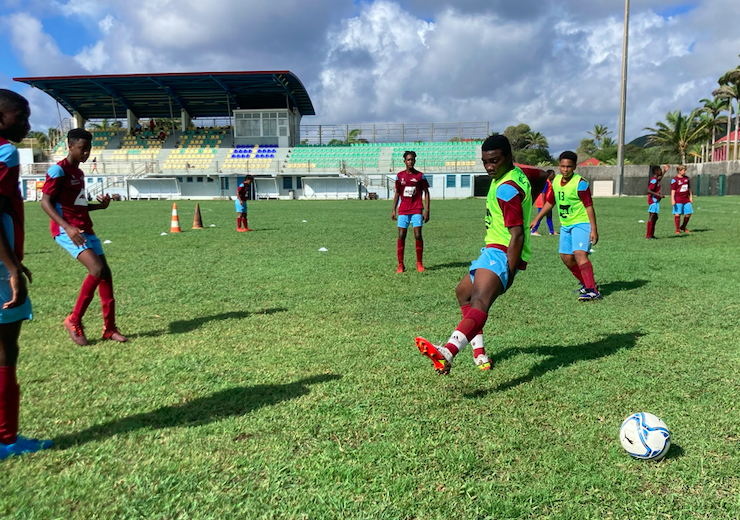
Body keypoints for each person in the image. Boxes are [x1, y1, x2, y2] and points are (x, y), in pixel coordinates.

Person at [415, 135, 535, 374]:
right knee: (463, 293)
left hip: (501, 252)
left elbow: (517, 235)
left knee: (479, 302)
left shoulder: (506, 190)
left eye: (494, 161)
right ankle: (479, 353)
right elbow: (541, 175)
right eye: (485, 162)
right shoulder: (518, 173)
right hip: (492, 249)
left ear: (508, 157)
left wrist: (510, 272)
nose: (489, 167)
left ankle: (448, 352)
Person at [0, 89, 53, 458]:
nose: (28, 125)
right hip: (0, 267)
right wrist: (11, 268)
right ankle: (6, 440)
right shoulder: (5, 152)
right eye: (21, 118)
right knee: (5, 347)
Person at [40, 128, 127, 346]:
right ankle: (74, 320)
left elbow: (77, 205)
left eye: (89, 149)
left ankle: (110, 328)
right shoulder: (58, 170)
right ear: (70, 146)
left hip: (84, 227)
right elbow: (45, 203)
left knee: (105, 274)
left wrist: (99, 207)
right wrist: (67, 227)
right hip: (67, 229)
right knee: (96, 269)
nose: (86, 153)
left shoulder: (78, 173)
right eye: (82, 148)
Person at [530, 151, 601, 301]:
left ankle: (592, 290)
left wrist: (593, 229)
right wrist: (537, 218)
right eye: (562, 166)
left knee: (580, 254)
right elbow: (551, 202)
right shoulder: (556, 181)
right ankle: (586, 283)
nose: (565, 169)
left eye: (569, 166)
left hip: (581, 223)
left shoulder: (580, 183)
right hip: (566, 225)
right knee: (566, 257)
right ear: (559, 166)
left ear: (574, 166)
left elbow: (589, 206)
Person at [390, 151, 429, 273]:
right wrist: (393, 209)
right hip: (403, 210)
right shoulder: (399, 176)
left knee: (417, 235)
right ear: (404, 161)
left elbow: (426, 192)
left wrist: (427, 210)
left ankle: (419, 263)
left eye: (412, 159)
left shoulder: (420, 176)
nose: (410, 161)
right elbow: (397, 193)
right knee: (402, 235)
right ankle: (400, 264)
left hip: (416, 209)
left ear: (415, 161)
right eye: (408, 160)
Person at [531, 169, 556, 236]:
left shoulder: (549, 182)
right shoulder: (546, 182)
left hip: (547, 202)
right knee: (540, 217)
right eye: (553, 174)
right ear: (550, 175)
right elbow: (543, 193)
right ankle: (533, 231)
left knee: (549, 216)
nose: (554, 175)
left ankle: (551, 232)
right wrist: (544, 204)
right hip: (543, 203)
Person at [646, 164, 668, 239]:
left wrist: (665, 171)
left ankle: (652, 235)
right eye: (660, 170)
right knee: (652, 217)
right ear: (656, 171)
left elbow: (660, 178)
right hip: (653, 201)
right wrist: (658, 195)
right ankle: (648, 235)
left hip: (656, 200)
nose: (661, 171)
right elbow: (649, 190)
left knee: (655, 217)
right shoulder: (653, 180)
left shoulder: (656, 179)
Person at [671, 165, 692, 234]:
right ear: (679, 171)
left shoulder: (686, 178)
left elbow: (689, 188)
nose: (685, 172)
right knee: (677, 214)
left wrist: (691, 196)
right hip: (678, 199)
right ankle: (677, 229)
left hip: (686, 199)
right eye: (683, 170)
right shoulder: (675, 180)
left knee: (688, 213)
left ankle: (683, 226)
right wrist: (672, 199)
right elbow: (673, 190)